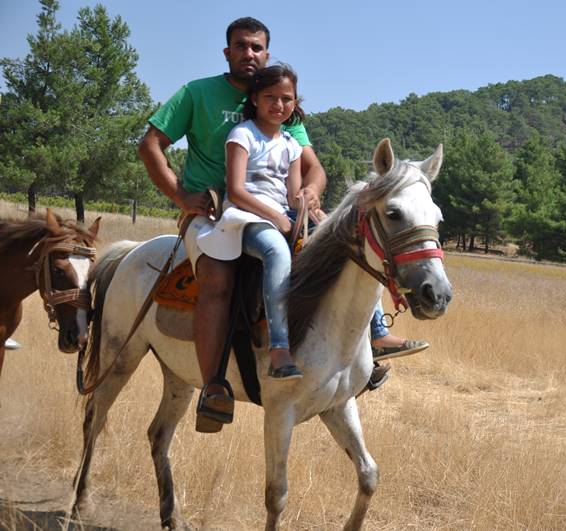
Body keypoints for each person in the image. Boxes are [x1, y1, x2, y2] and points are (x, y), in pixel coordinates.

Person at [138, 17, 425, 433]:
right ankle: (214, 385)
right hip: (214, 213)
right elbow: (150, 144)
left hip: (274, 210)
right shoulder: (196, 94)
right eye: (241, 46)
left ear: (266, 53)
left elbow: (313, 169)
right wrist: (181, 196)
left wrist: (309, 193)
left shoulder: (278, 101)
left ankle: (362, 351)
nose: (249, 53)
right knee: (218, 278)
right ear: (227, 52)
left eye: (256, 47)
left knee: (345, 250)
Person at [198, 64, 304, 381]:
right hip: (245, 218)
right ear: (255, 98)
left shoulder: (292, 145)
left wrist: (310, 205)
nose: (279, 105)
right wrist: (275, 217)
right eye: (270, 96)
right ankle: (279, 348)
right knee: (276, 252)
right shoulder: (243, 134)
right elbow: (236, 190)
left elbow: (293, 194)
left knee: (344, 242)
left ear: (295, 103)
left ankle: (375, 334)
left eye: (287, 98)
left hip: (281, 215)